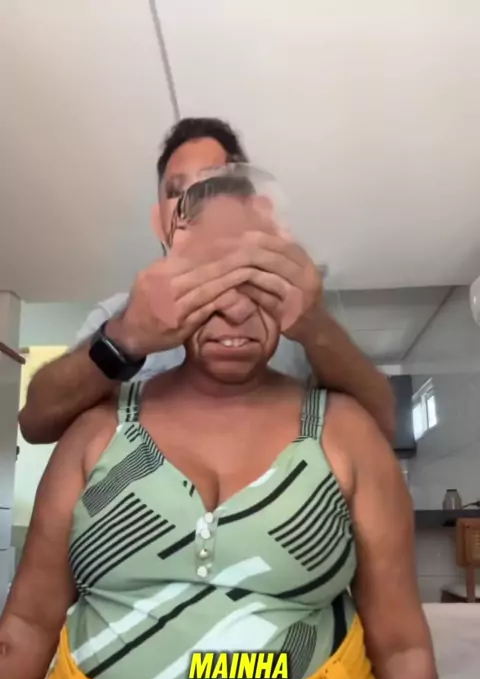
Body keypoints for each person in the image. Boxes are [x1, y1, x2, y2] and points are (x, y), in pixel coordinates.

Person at [0, 183, 457, 679]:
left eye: (261, 277)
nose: (236, 307)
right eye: (209, 277)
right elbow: (23, 629)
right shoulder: (97, 433)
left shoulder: (345, 432)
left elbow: (404, 649)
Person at [18, 117, 395, 446]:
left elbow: (383, 425)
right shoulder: (119, 312)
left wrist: (316, 329)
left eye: (211, 184)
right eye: (176, 190)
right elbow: (35, 424)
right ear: (161, 218)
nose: (192, 200)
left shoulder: (293, 304)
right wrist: (124, 339)